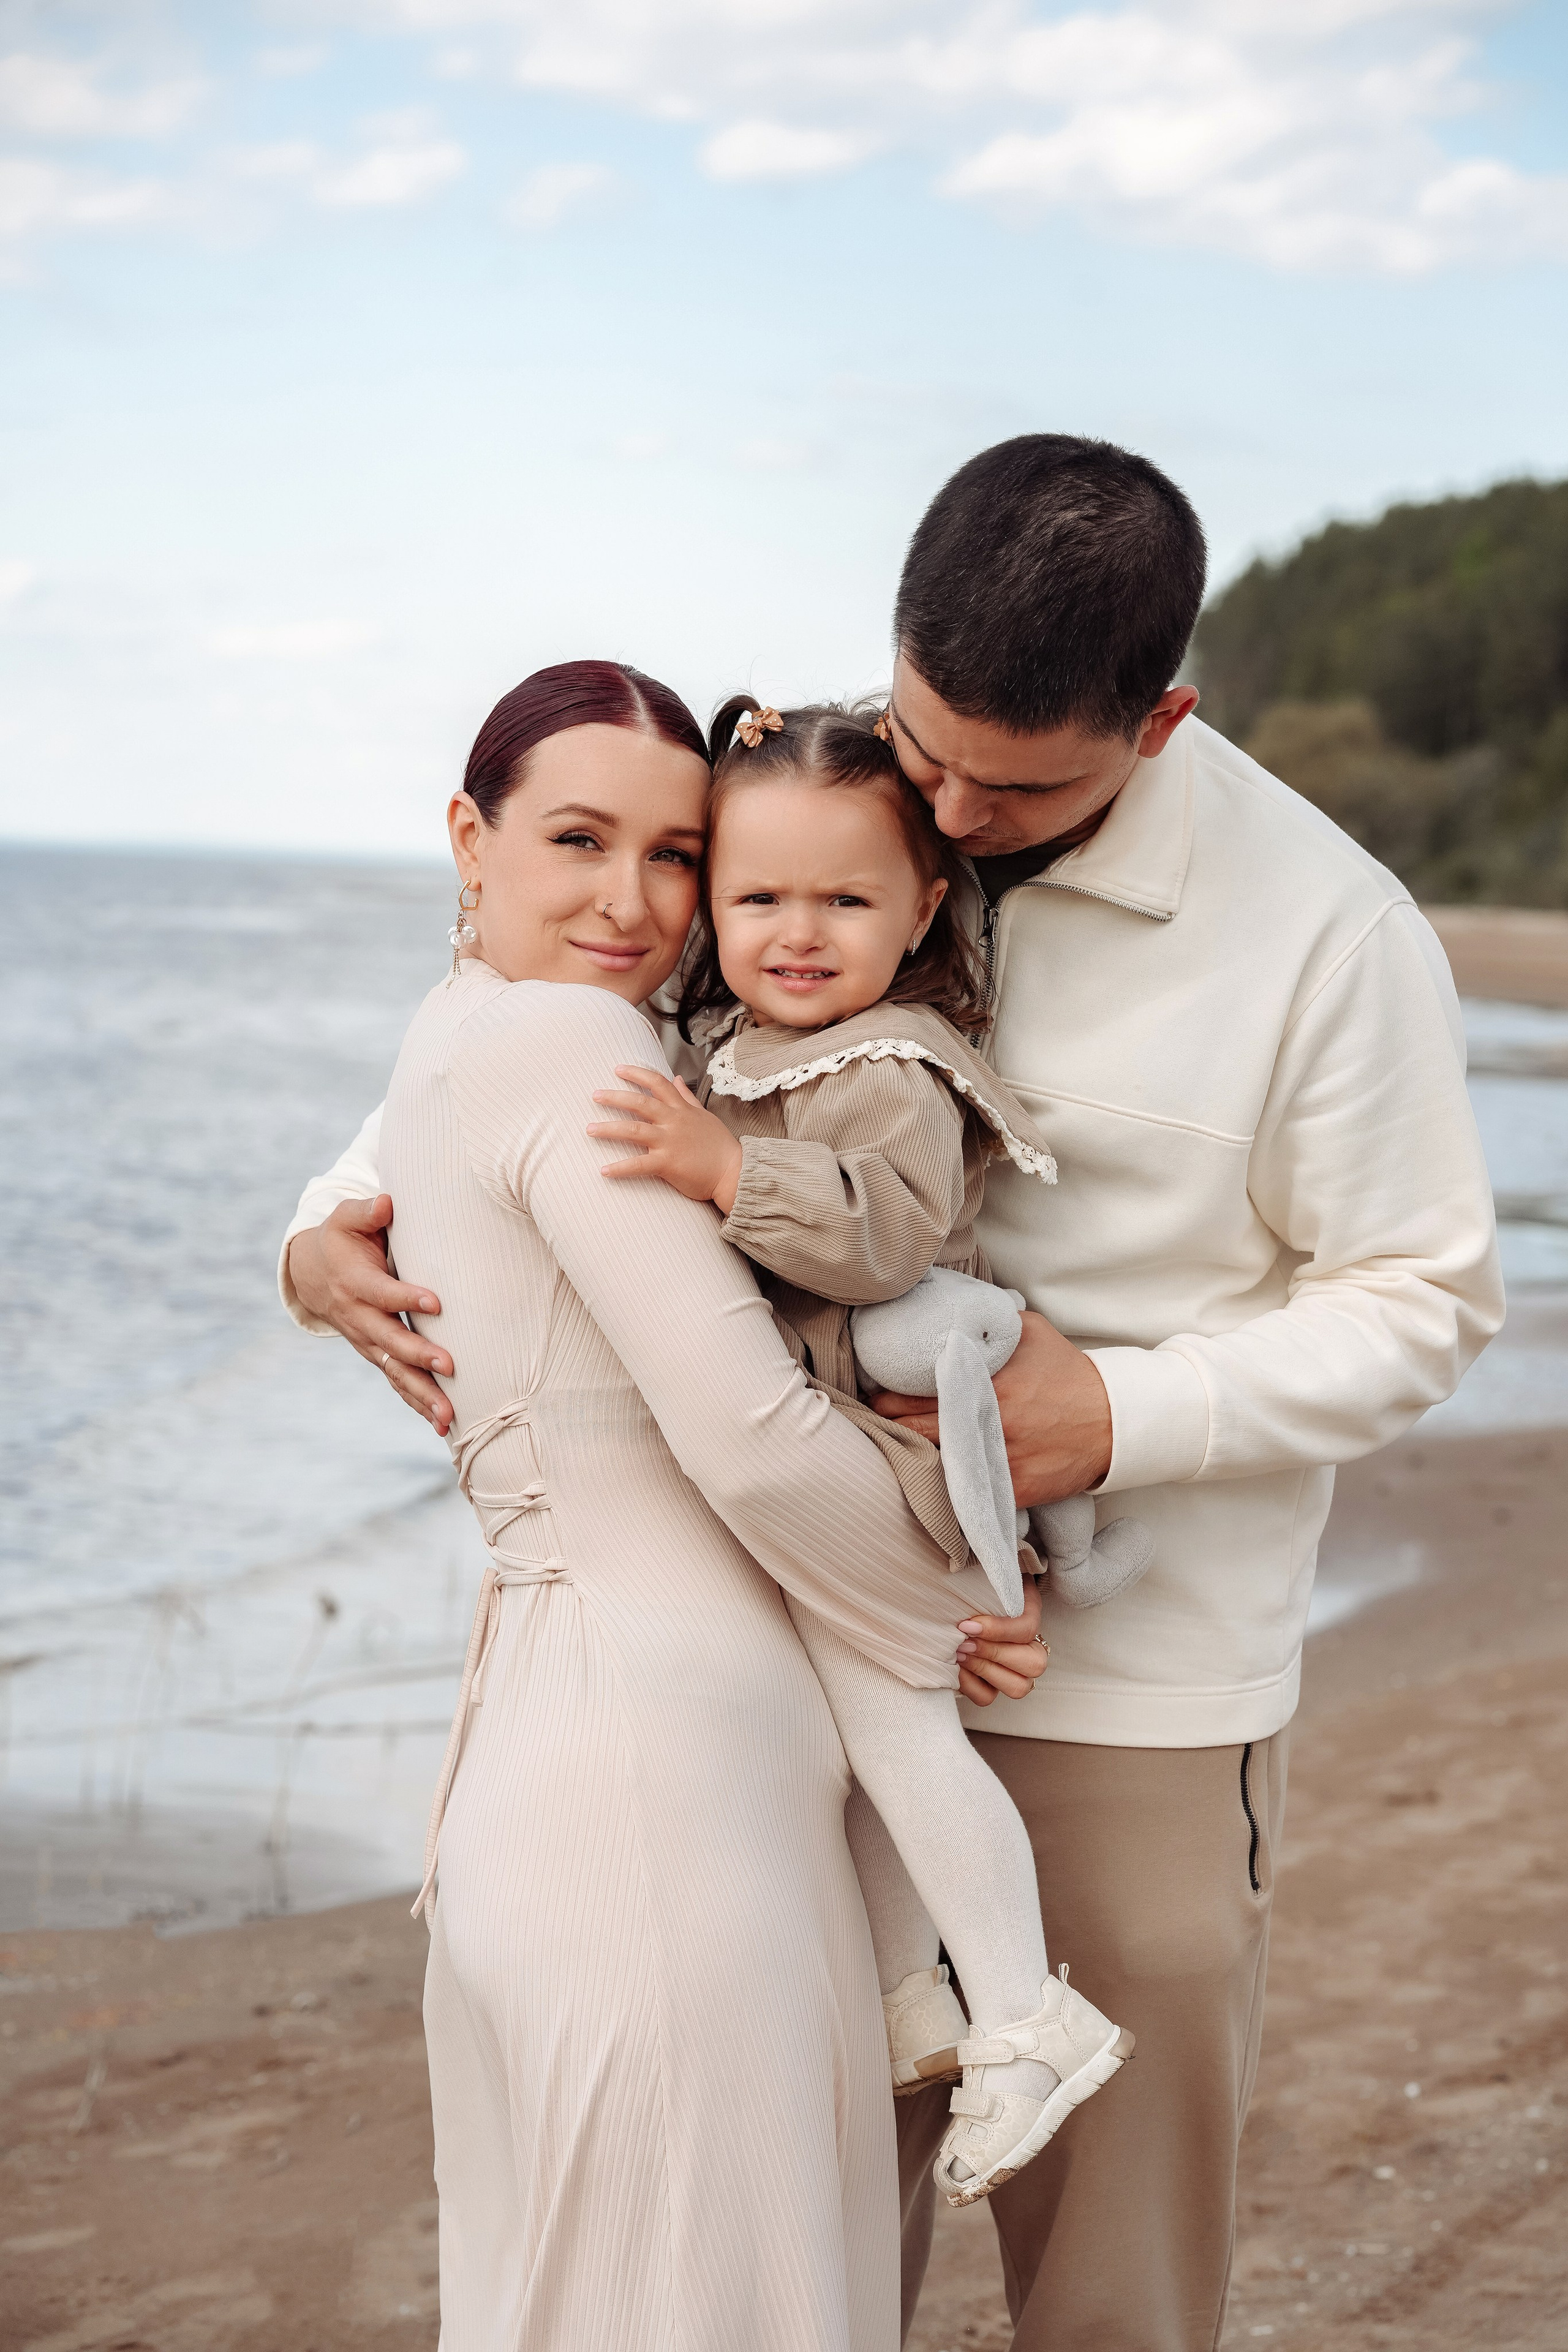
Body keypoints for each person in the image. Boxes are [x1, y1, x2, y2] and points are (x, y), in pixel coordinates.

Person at [284, 437, 1504, 2351]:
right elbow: (614, 1025)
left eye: (1003, 785)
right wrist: (323, 1218)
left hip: (1122, 1697)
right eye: (918, 741)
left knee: (1108, 2287)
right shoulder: (838, 784)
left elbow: (1428, 1297)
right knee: (811, 2257)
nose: (935, 807)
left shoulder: (1330, 936)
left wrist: (1115, 1419)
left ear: (1163, 716)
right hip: (787, 1659)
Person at [287, 656, 1050, 2352]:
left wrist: (301, 1241)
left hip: (542, 1755)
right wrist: (939, 1612)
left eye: (678, 855)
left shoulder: (465, 1029)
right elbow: (760, 1441)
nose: (637, 905)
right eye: (579, 841)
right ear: (468, 841)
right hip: (660, 1783)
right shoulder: (575, 1040)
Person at [586, 692, 1138, 2208]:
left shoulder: (891, 1063)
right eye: (759, 896)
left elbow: (885, 1239)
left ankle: (1027, 2015)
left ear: (920, 912)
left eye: (845, 898)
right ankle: (918, 1998)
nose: (798, 931)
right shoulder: (740, 1044)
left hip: (881, 1476)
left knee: (900, 1737)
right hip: (824, 1461)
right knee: (854, 1751)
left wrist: (720, 1168)